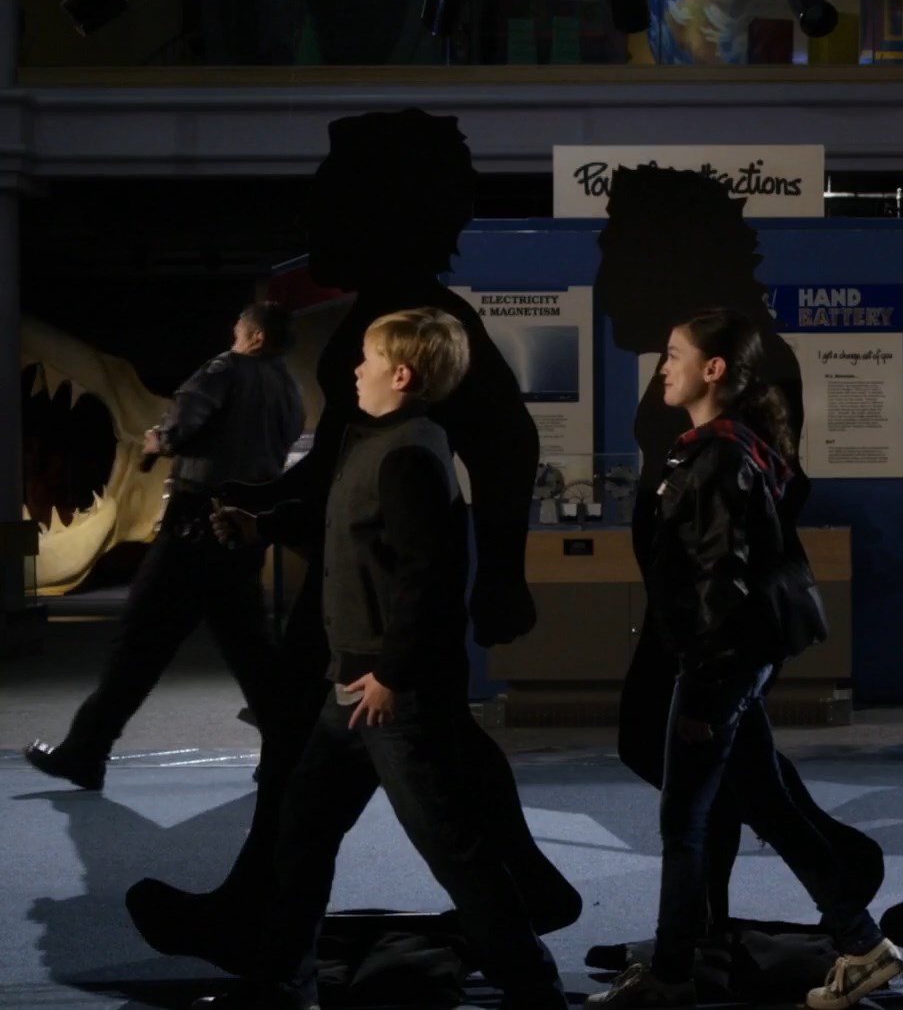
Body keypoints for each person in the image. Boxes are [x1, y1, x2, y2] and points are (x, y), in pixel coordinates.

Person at [124, 109, 578, 973]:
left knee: (385, 763)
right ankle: (274, 917)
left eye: (330, 198)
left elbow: (507, 443)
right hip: (353, 591)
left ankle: (272, 922)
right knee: (358, 756)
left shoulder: (422, 325)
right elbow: (340, 462)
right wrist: (265, 507)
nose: (312, 217)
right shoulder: (384, 322)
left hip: (380, 603)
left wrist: (502, 578)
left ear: (384, 209)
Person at [196, 308, 568, 1010]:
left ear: (401, 374)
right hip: (353, 688)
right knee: (302, 833)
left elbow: (430, 580)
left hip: (391, 695)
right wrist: (262, 526)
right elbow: (342, 525)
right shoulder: (378, 443)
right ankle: (281, 980)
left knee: (452, 848)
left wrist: (394, 675)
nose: (355, 369)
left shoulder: (409, 455)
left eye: (366, 358)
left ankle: (533, 988)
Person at [588, 308, 903, 1010]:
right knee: (772, 807)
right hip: (731, 664)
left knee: (684, 824)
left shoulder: (720, 458)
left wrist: (703, 694)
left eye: (674, 354)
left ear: (713, 370)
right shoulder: (725, 448)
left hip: (716, 667)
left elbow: (719, 586)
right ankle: (863, 945)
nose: (662, 367)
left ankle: (672, 975)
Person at [24, 301, 304, 791]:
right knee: (250, 650)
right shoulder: (288, 388)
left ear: (256, 337)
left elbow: (182, 425)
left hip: (193, 528)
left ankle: (85, 752)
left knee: (141, 642)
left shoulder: (225, 369)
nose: (233, 337)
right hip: (240, 528)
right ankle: (289, 756)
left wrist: (158, 442)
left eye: (238, 330)